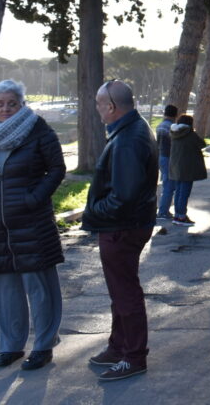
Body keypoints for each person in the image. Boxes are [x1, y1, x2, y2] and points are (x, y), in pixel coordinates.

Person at [0, 79, 65, 371]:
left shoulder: (38, 131)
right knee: (6, 288)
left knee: (39, 286)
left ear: (22, 104)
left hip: (31, 222)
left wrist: (33, 198)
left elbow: (57, 169)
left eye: (12, 103)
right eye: (0, 104)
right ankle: (10, 346)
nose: (6, 109)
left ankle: (44, 345)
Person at [81, 79, 158, 382]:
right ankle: (119, 346)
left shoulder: (127, 139)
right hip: (127, 225)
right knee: (120, 291)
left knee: (125, 293)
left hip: (122, 228)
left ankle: (134, 356)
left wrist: (92, 213)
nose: (97, 109)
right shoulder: (131, 129)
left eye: (100, 104)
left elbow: (123, 197)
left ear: (110, 107)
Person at [168, 114, 207, 227]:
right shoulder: (190, 133)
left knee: (179, 192)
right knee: (184, 193)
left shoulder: (173, 133)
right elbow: (202, 144)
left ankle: (177, 215)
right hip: (188, 167)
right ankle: (181, 216)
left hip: (176, 166)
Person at [155, 104, 179, 221]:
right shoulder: (172, 127)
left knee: (166, 182)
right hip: (169, 157)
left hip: (161, 156)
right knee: (169, 185)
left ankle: (163, 210)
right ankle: (163, 211)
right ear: (175, 115)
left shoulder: (159, 126)